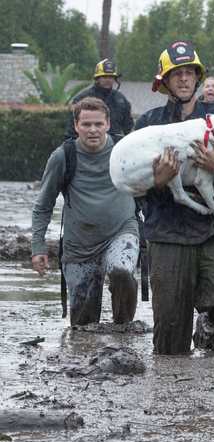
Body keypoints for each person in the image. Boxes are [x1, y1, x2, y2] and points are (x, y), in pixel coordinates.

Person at [135, 40, 214, 354]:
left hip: (212, 228)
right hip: (166, 231)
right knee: (170, 342)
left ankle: (212, 326)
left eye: (189, 73)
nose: (184, 79)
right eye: (176, 74)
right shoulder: (148, 124)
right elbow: (134, 189)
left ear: (197, 78)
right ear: (165, 82)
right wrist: (157, 182)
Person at [33, 97, 139, 326]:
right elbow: (43, 205)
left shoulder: (125, 150)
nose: (93, 130)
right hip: (79, 245)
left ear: (108, 124)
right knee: (84, 325)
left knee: (121, 271)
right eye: (86, 124)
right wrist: (38, 246)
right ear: (76, 126)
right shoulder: (63, 156)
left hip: (121, 232)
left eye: (98, 124)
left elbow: (149, 187)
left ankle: (123, 329)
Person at [65, 59, 133, 141]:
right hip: (88, 146)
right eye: (104, 77)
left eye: (111, 77)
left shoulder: (121, 100)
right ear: (97, 78)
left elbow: (129, 128)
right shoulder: (82, 99)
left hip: (114, 146)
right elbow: (72, 129)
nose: (108, 80)